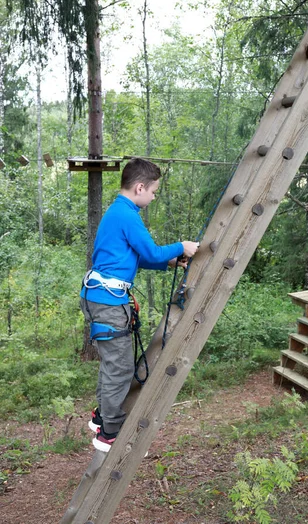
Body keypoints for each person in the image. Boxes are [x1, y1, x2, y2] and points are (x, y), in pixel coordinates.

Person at [80, 158, 199, 452]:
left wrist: (169, 261)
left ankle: (101, 418)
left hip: (103, 297)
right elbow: (150, 249)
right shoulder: (127, 215)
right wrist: (181, 247)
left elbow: (138, 256)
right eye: (154, 191)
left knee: (114, 364)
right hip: (108, 302)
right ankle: (110, 433)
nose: (154, 196)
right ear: (140, 187)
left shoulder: (120, 212)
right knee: (119, 368)